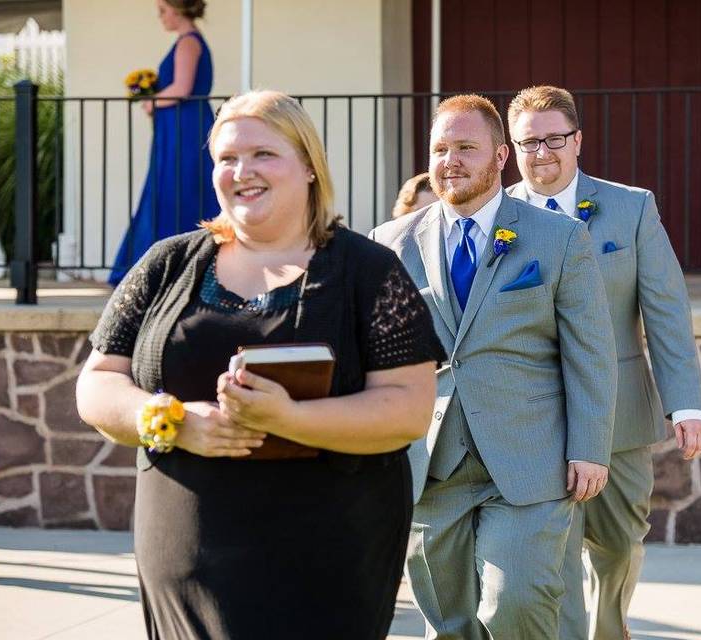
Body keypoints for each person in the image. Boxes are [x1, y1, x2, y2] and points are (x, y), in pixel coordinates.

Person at [76, 90, 444, 639]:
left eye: (263, 154)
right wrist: (171, 419)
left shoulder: (368, 271)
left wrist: (287, 419)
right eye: (226, 159)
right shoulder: (167, 264)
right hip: (188, 559)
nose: (242, 171)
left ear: (309, 167)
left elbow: (409, 409)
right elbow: (99, 382)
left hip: (328, 563)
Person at [370, 94, 618, 639]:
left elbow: (590, 352)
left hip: (531, 461)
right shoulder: (388, 246)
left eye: (466, 147)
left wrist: (590, 447)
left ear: (501, 156)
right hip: (429, 464)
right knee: (450, 623)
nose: (450, 161)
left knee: (516, 604)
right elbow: (375, 358)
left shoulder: (558, 238)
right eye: (440, 149)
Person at [505, 85, 701, 640]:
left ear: (578, 141)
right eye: (528, 142)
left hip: (620, 414)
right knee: (558, 556)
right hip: (535, 419)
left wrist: (686, 403)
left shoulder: (631, 207)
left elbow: (665, 310)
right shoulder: (497, 217)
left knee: (619, 543)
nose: (541, 152)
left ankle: (609, 628)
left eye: (553, 139)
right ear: (511, 147)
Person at [109, 0, 221, 285]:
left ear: (177, 9)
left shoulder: (188, 42)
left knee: (176, 189)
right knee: (172, 188)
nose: (160, 17)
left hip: (185, 126)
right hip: (179, 125)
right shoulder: (188, 41)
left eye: (163, 10)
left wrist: (151, 102)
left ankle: (172, 265)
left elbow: (182, 88)